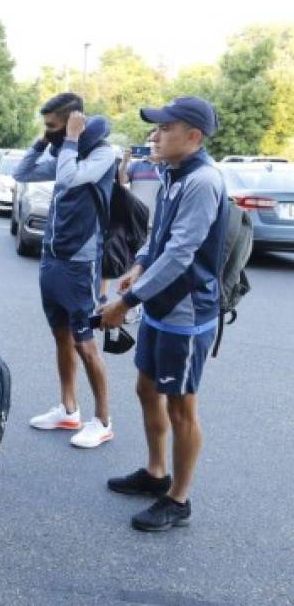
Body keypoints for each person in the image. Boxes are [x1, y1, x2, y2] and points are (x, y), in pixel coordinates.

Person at [99, 96, 226, 532]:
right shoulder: (173, 174)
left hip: (186, 312)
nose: (154, 135)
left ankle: (179, 500)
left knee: (181, 407)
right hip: (160, 304)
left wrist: (125, 303)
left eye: (164, 128)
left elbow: (180, 254)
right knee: (146, 388)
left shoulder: (203, 181)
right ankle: (156, 474)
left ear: (193, 137)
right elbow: (157, 239)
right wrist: (136, 268)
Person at [13, 93, 118, 449]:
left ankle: (102, 420)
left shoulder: (103, 154)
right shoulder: (61, 150)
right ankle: (68, 408)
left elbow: (72, 179)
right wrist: (45, 140)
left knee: (85, 344)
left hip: (80, 263)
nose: (51, 134)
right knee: (60, 335)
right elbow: (23, 172)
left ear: (76, 122)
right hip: (51, 257)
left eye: (53, 126)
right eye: (48, 129)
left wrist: (70, 140)